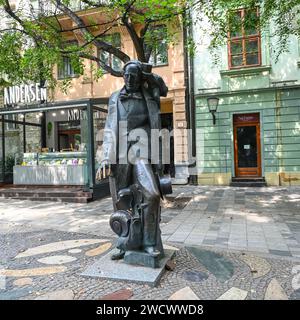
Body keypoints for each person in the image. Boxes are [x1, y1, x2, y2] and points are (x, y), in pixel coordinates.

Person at [98, 60, 168, 261]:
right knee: (121, 200)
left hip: (142, 151)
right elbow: (110, 128)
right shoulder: (115, 98)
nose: (129, 79)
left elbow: (162, 88)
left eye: (134, 76)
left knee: (152, 194)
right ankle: (125, 243)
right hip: (120, 155)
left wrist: (148, 75)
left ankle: (148, 242)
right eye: (126, 75)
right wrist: (105, 158)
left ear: (140, 78)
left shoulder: (151, 96)